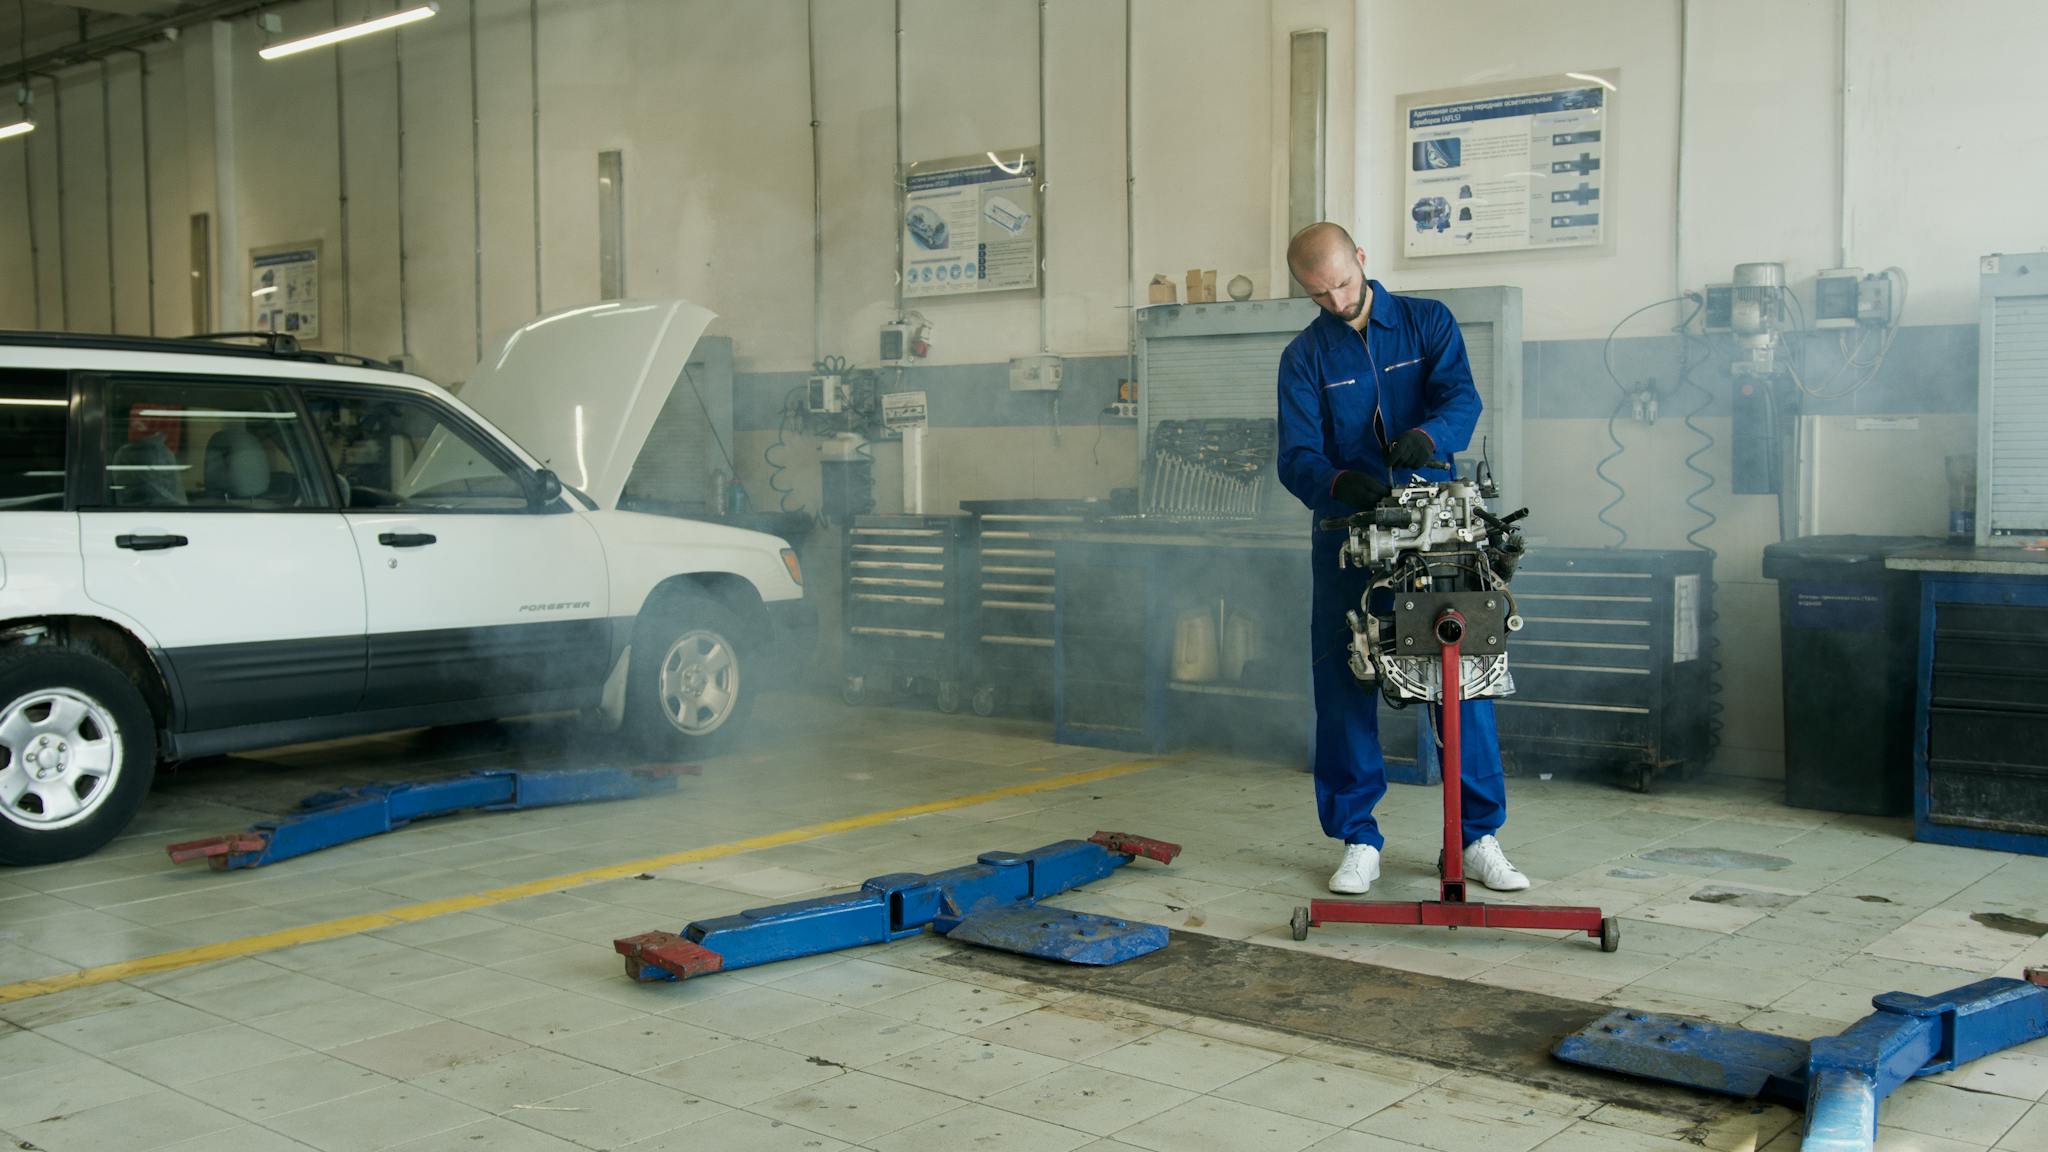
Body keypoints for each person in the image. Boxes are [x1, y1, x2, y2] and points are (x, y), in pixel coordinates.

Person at [1275, 221, 1529, 897]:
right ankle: (1359, 839)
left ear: (1362, 259)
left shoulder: (1427, 322)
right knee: (1345, 685)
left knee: (1461, 679)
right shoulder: (1303, 358)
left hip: (1437, 533)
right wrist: (1336, 483)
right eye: (1319, 294)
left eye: (1344, 285)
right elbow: (1295, 456)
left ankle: (1477, 837)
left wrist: (1427, 436)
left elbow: (1462, 399)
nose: (1336, 302)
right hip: (1349, 539)